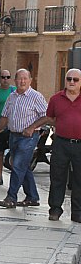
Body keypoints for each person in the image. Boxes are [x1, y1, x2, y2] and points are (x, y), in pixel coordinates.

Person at [0, 69, 47, 209]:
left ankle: (11, 197)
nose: (22, 81)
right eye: (19, 78)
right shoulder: (12, 96)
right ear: (15, 80)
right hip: (13, 135)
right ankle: (32, 196)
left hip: (29, 137)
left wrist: (32, 127)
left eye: (25, 78)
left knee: (18, 165)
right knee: (21, 166)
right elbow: (4, 117)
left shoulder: (36, 97)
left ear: (30, 80)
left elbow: (46, 116)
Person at [40, 69, 81, 221]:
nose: (71, 82)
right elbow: (49, 118)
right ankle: (55, 209)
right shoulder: (56, 99)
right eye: (69, 79)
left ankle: (78, 212)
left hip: (80, 145)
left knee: (79, 179)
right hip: (61, 143)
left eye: (75, 80)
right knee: (57, 177)